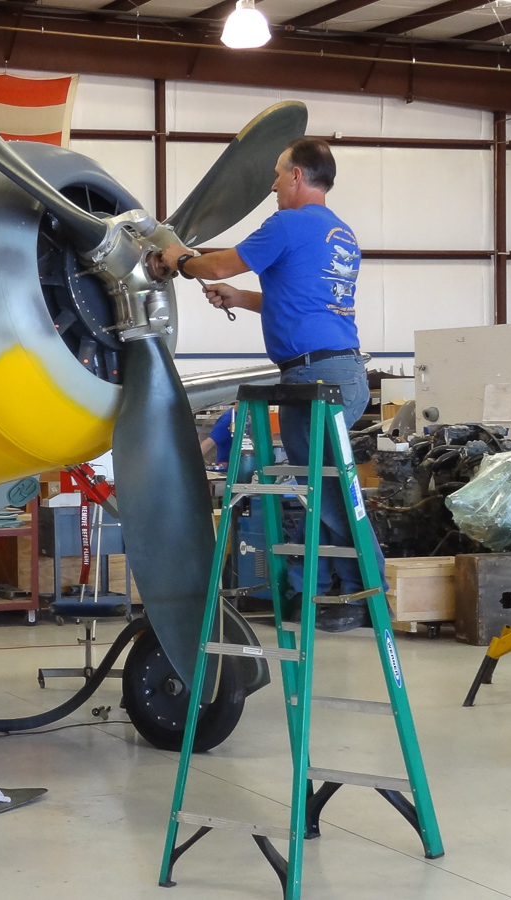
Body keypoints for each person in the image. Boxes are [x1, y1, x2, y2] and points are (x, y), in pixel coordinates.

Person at [151, 137, 380, 632]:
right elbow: (301, 304)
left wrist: (177, 257)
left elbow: (215, 264)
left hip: (316, 377)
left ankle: (360, 592)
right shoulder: (339, 233)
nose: (273, 183)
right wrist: (240, 296)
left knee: (328, 492)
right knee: (325, 486)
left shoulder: (288, 224)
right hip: (339, 370)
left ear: (298, 176)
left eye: (278, 173)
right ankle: (333, 590)